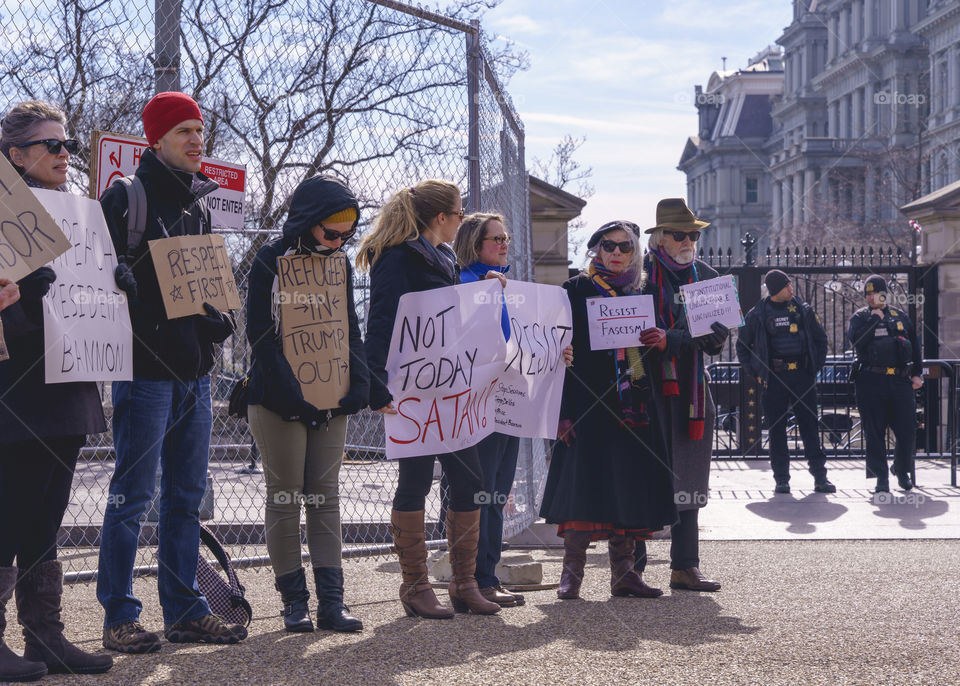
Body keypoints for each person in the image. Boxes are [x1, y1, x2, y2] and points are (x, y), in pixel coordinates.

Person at [97, 92, 246, 653]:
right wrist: (133, 297)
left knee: (185, 496)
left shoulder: (201, 207)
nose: (195, 140)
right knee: (133, 496)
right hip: (143, 372)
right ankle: (119, 615)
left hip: (195, 374)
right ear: (155, 139)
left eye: (200, 131)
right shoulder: (125, 201)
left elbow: (209, 292)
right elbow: (97, 285)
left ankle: (184, 609)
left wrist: (217, 322)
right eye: (183, 130)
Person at [0, 100, 113, 681]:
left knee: (46, 517)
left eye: (67, 143)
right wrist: (26, 298)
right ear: (15, 154)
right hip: (17, 390)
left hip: (67, 379)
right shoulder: (2, 213)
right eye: (52, 145)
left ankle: (46, 636)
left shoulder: (78, 215)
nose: (65, 154)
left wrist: (114, 287)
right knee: (11, 514)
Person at [358, 180, 501, 618]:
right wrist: (374, 381)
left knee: (471, 481)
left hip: (449, 388)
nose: (461, 220)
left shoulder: (441, 256)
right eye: (460, 214)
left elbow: (454, 316)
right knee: (416, 482)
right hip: (412, 388)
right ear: (442, 218)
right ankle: (416, 587)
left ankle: (464, 582)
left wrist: (485, 291)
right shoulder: (398, 256)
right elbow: (382, 319)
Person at [246, 175, 368, 633]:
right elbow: (259, 334)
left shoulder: (341, 265)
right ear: (307, 221)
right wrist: (291, 394)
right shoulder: (269, 260)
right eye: (330, 232)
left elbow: (348, 328)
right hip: (277, 399)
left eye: (345, 235)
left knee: (325, 498)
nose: (337, 242)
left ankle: (332, 604)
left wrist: (361, 384)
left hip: (329, 395)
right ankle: (294, 603)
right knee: (285, 498)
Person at [540, 220, 678, 601]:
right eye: (608, 246)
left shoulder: (643, 292)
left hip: (633, 404)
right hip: (586, 404)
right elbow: (558, 354)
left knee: (628, 486)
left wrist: (658, 341)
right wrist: (564, 413)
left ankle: (625, 576)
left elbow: (660, 345)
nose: (616, 253)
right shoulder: (574, 290)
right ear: (596, 250)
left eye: (625, 247)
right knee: (584, 487)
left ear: (635, 253)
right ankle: (571, 576)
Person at [634, 198, 726, 592]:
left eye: (693, 234)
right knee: (639, 472)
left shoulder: (706, 277)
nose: (688, 240)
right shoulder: (636, 276)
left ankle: (685, 566)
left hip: (690, 392)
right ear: (659, 238)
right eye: (679, 234)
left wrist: (670, 339)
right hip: (643, 387)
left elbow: (717, 340)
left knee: (689, 474)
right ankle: (631, 570)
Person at [737, 269, 835, 494]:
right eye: (787, 286)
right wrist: (756, 372)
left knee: (810, 426)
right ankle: (781, 479)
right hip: (774, 379)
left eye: (791, 285)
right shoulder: (758, 313)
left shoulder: (803, 310)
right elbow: (742, 346)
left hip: (803, 376)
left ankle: (820, 477)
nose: (791, 289)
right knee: (776, 430)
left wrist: (814, 368)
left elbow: (821, 340)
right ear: (775, 290)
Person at [847, 275, 923, 493]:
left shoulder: (899, 316)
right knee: (874, 431)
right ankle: (881, 477)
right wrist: (873, 320)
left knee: (907, 428)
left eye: (875, 293)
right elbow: (858, 344)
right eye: (867, 294)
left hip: (900, 380)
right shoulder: (860, 318)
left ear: (884, 294)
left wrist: (917, 374)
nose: (871, 297)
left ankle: (901, 468)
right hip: (871, 380)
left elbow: (915, 347)